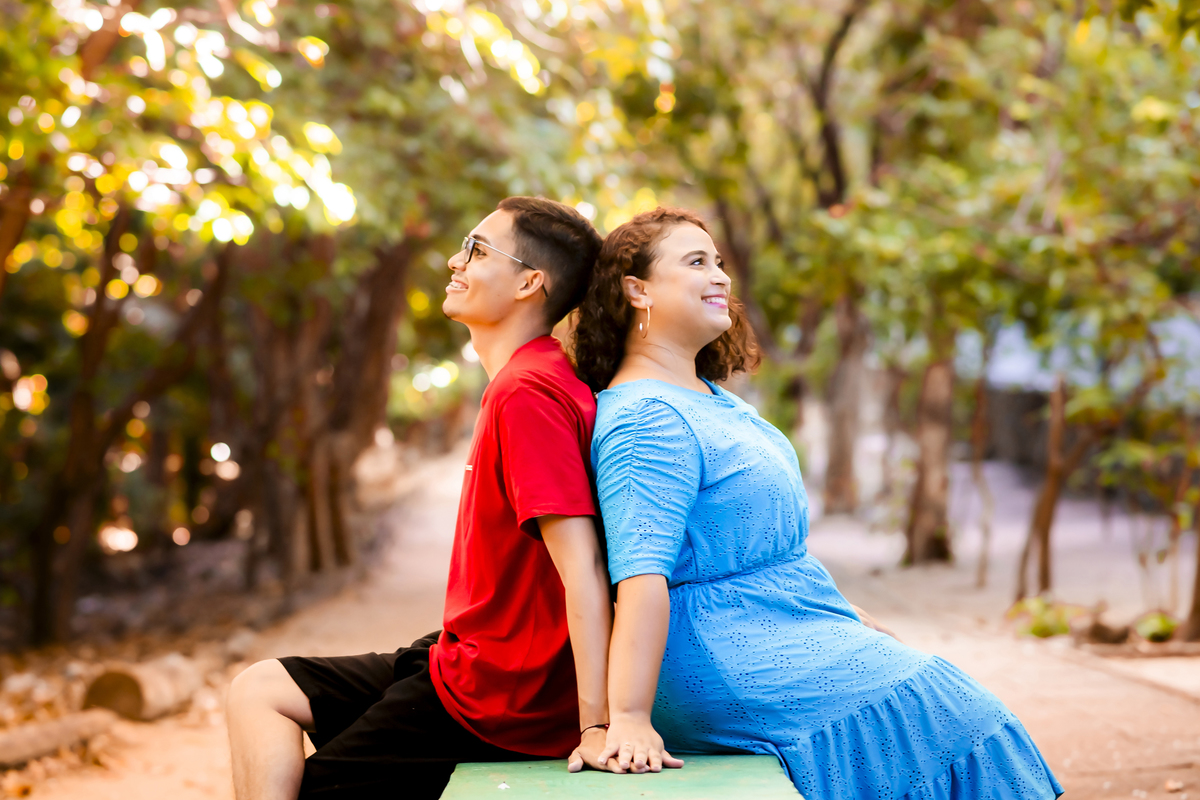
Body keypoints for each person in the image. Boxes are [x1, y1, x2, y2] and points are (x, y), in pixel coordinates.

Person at [571, 206, 1064, 799]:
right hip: (725, 648)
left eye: (720, 262)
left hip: (786, 619)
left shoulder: (709, 398)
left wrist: (845, 614)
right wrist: (627, 716)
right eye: (697, 262)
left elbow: (772, 547)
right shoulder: (645, 419)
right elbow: (640, 576)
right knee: (946, 706)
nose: (722, 276)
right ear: (637, 290)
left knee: (941, 697)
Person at [227, 197, 615, 800]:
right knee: (260, 688)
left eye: (478, 251)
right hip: (464, 659)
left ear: (529, 283)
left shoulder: (528, 393)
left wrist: (596, 725)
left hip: (500, 697)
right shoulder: (529, 378)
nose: (457, 263)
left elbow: (584, 567)